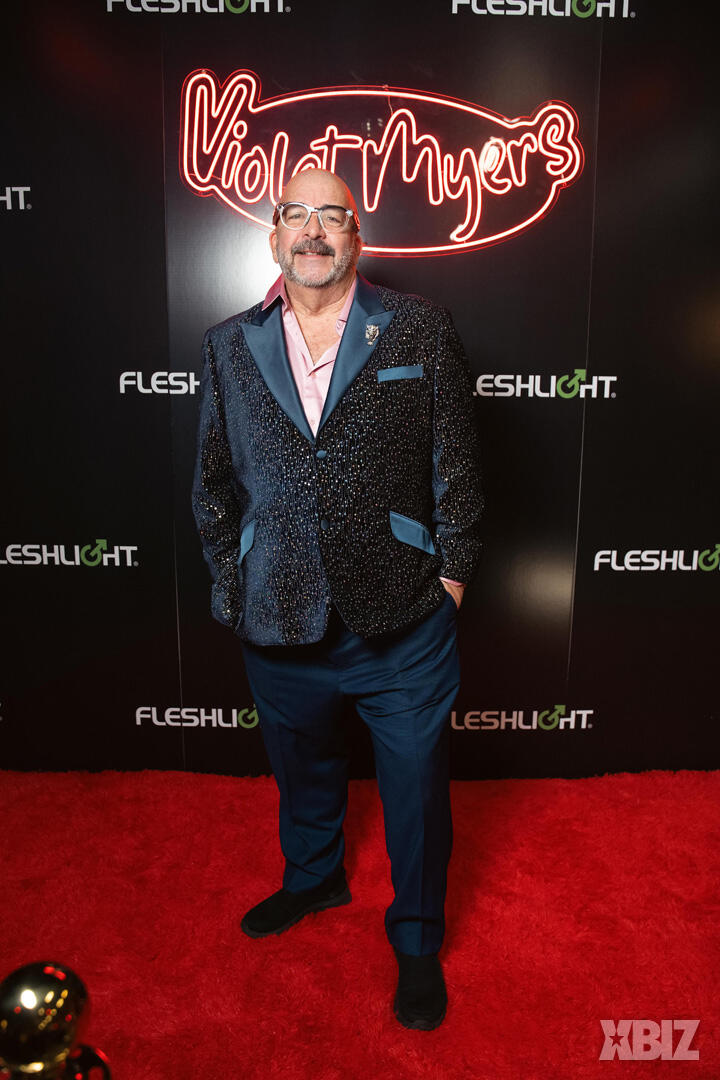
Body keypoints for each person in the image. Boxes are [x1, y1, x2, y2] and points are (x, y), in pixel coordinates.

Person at [192, 168, 483, 1030]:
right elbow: (212, 482)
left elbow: (459, 467)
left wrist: (453, 579)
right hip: (278, 615)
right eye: (297, 214)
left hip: (404, 619)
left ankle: (418, 940)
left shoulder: (420, 326)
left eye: (332, 215)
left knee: (417, 790)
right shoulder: (227, 344)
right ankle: (313, 879)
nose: (313, 230)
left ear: (356, 236)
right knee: (302, 772)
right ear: (274, 236)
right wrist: (233, 580)